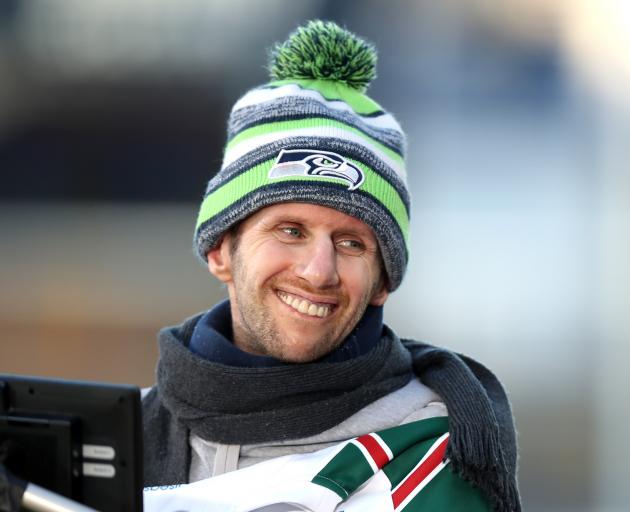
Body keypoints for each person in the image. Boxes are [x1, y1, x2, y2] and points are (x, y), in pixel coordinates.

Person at [142, 20, 520, 511]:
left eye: (351, 243)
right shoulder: (122, 434)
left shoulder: (432, 450)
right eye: (290, 231)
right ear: (220, 251)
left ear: (383, 281)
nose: (319, 271)